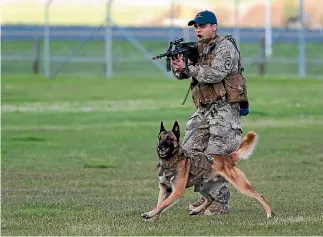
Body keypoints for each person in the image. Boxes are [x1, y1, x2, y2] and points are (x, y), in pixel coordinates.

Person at [170, 10, 249, 215]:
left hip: (225, 111)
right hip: (204, 111)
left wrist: (188, 68)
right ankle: (205, 197)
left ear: (214, 27)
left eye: (202, 26)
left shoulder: (225, 47)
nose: (198, 29)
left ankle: (219, 203)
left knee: (216, 157)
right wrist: (178, 68)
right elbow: (187, 74)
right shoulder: (199, 48)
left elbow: (215, 74)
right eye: (195, 26)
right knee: (188, 153)